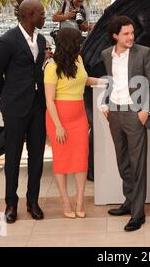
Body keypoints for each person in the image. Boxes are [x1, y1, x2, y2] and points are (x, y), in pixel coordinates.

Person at [0, 0, 47, 224]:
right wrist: (9, 97)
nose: (45, 16)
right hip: (14, 108)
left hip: (37, 106)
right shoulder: (6, 42)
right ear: (30, 15)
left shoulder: (41, 40)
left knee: (37, 156)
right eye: (41, 13)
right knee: (13, 156)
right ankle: (10, 203)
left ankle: (33, 201)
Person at [101, 15, 150, 232]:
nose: (131, 37)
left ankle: (138, 213)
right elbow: (111, 81)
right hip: (114, 112)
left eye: (132, 33)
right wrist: (106, 103)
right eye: (126, 34)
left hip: (135, 113)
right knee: (123, 161)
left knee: (137, 163)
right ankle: (129, 200)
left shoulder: (144, 52)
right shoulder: (107, 54)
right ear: (115, 35)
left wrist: (145, 110)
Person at [44, 28, 104, 219]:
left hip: (79, 117)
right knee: (61, 161)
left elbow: (84, 81)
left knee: (80, 160)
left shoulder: (79, 61)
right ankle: (65, 201)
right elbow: (49, 100)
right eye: (78, 42)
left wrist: (106, 82)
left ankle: (79, 201)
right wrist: (59, 126)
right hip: (58, 119)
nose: (81, 44)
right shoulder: (51, 67)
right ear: (70, 44)